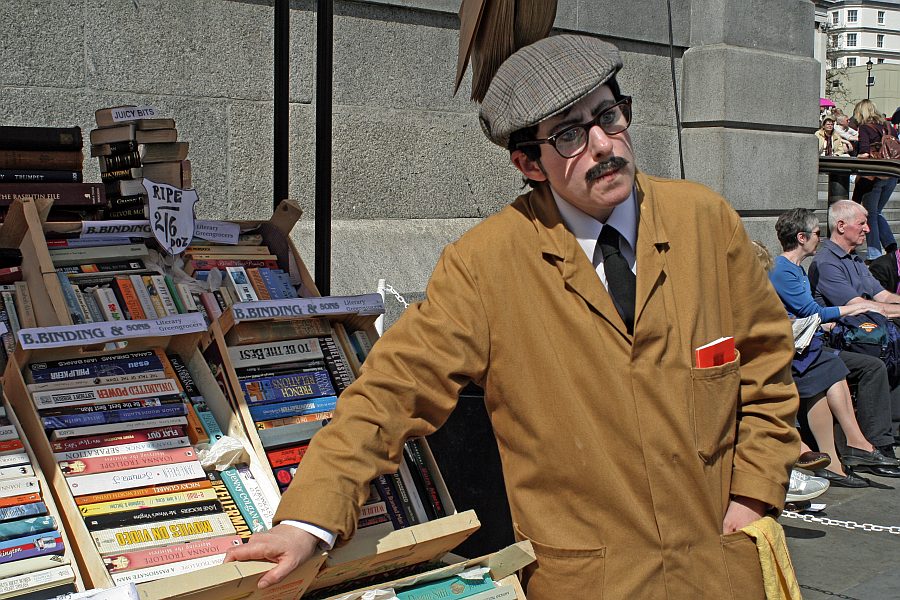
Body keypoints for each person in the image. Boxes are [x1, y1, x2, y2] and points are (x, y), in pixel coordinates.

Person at [226, 35, 800, 598]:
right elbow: (390, 392)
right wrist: (307, 522)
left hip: (721, 567)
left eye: (609, 115)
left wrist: (753, 494)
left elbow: (766, 366)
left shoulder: (705, 220)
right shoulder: (485, 264)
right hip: (592, 582)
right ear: (528, 162)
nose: (604, 145)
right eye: (570, 135)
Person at [769, 208, 899, 486]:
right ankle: (850, 449)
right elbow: (811, 311)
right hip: (792, 350)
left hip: (809, 345)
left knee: (842, 367)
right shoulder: (783, 270)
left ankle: (851, 450)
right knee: (830, 367)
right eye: (817, 233)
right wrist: (851, 310)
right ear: (801, 237)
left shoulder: (797, 269)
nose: (821, 238)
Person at [810, 200, 900, 453]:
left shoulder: (855, 259)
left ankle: (893, 428)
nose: (868, 229)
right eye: (862, 223)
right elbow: (860, 306)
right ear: (841, 226)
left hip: (868, 332)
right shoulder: (827, 262)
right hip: (844, 337)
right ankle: (879, 442)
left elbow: (883, 296)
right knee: (878, 362)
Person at [853, 99, 899, 260]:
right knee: (877, 212)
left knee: (870, 214)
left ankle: (874, 255)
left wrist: (856, 156)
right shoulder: (889, 127)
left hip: (875, 174)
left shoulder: (865, 128)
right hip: (892, 173)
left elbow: (865, 153)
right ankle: (891, 246)